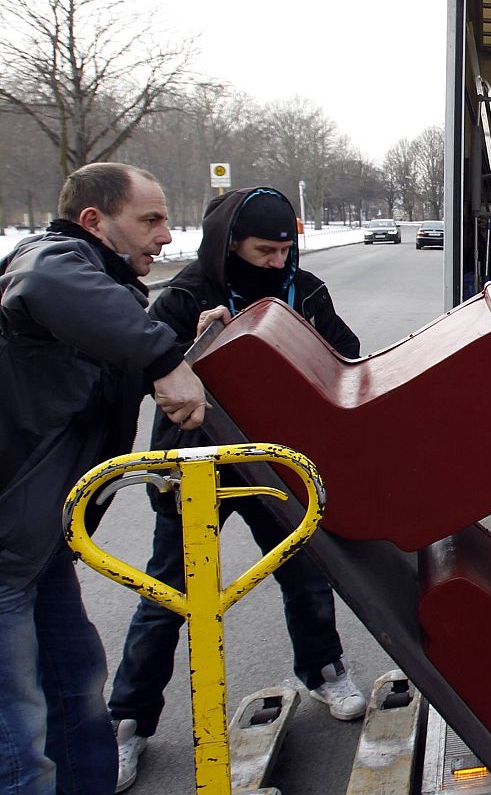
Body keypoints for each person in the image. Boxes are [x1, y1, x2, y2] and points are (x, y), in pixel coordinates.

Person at [110, 187, 367, 792]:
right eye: (264, 251)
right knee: (168, 588)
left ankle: (323, 667)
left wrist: (306, 342)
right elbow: (147, 372)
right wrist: (199, 348)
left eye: (286, 250)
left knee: (306, 569)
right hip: (196, 462)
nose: (278, 263)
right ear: (230, 246)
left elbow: (349, 357)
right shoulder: (184, 294)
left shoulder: (305, 288)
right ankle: (128, 719)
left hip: (274, 459)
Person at [1, 163, 210, 795]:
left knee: (75, 694)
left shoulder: (109, 288)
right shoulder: (53, 258)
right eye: (150, 220)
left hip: (38, 544)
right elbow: (44, 283)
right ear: (94, 220)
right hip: (8, 547)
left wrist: (184, 348)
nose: (166, 236)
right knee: (18, 735)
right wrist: (161, 358)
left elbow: (101, 361)